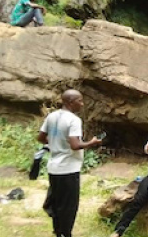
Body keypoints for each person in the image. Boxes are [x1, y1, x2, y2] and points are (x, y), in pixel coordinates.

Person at [38, 89, 101, 237]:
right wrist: (91, 142)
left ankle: (57, 231)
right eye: (79, 101)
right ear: (71, 102)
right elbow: (75, 145)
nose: (82, 104)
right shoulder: (74, 120)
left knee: (57, 202)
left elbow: (41, 137)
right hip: (68, 169)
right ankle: (66, 234)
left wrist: (54, 144)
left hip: (54, 168)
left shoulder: (52, 116)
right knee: (69, 206)